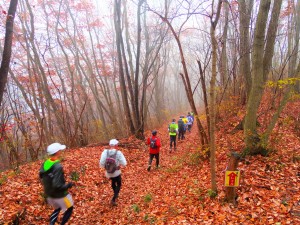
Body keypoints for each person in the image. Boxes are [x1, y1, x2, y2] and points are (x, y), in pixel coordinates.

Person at [39, 143, 74, 225]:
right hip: (59, 194)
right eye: (60, 150)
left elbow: (41, 175)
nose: (61, 152)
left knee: (57, 208)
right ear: (57, 152)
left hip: (49, 193)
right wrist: (68, 185)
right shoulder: (57, 166)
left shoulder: (46, 163)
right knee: (70, 207)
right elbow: (57, 185)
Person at [99, 139, 127, 206]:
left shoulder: (105, 152)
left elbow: (101, 163)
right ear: (116, 145)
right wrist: (120, 164)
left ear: (109, 145)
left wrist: (106, 168)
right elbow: (124, 163)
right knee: (119, 183)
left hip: (108, 172)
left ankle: (115, 195)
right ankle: (114, 198)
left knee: (113, 183)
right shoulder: (118, 153)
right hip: (116, 172)